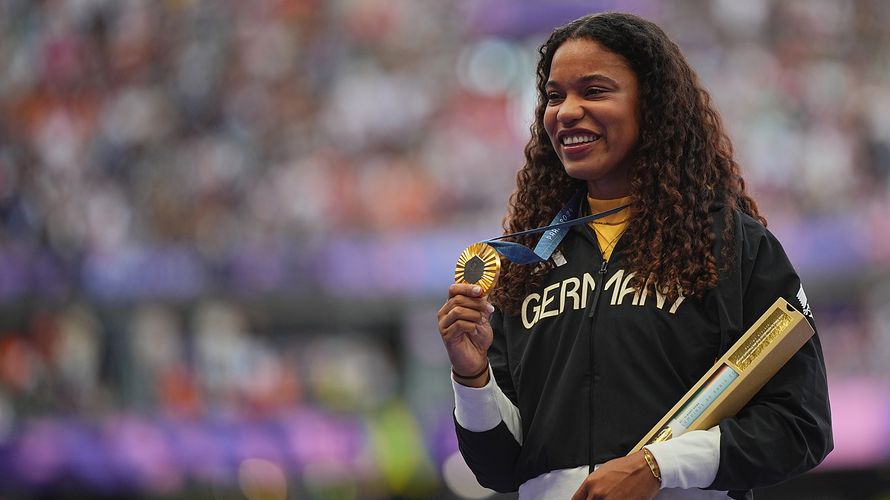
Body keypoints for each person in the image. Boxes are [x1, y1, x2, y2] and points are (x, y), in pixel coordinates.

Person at [436, 12, 832, 500]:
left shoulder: (728, 242)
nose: (566, 111)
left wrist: (659, 466)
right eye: (555, 96)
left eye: (594, 91)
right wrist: (472, 376)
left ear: (654, 104)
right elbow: (498, 467)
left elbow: (800, 424)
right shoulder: (529, 262)